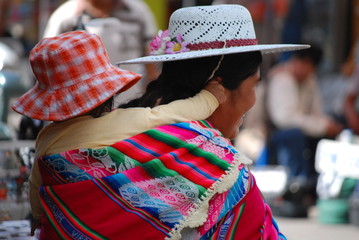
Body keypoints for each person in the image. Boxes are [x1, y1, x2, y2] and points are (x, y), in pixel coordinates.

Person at [14, 4, 308, 239]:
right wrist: (208, 99)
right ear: (218, 87)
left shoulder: (49, 143)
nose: (254, 100)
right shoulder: (217, 168)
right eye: (254, 85)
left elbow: (40, 205)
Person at [11, 30, 226, 238]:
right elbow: (173, 114)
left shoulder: (46, 138)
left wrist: (38, 215)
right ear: (107, 91)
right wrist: (210, 97)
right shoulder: (127, 121)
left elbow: (35, 185)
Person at [264, 45, 343, 216]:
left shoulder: (310, 79)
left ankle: (319, 188)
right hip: (277, 135)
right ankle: (297, 185)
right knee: (295, 135)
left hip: (302, 131)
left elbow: (316, 112)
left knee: (329, 132)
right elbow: (284, 119)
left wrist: (327, 125)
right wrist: (321, 126)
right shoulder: (281, 78)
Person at [42, 0, 159, 105]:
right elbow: (47, 67)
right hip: (81, 110)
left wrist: (152, 96)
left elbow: (151, 60)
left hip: (131, 105)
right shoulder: (64, 17)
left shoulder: (138, 11)